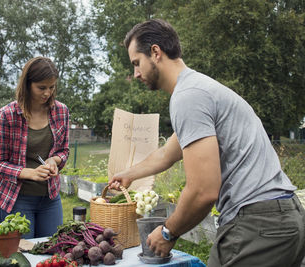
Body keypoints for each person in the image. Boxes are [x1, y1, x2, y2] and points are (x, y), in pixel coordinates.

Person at [109, 19, 305, 266]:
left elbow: (204, 190)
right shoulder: (199, 89)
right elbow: (167, 153)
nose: (136, 73)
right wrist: (129, 173)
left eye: (137, 63)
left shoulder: (188, 97)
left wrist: (169, 231)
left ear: (156, 52)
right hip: (284, 218)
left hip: (258, 225)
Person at [0, 56, 69, 238]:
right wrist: (29, 173)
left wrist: (54, 160)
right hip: (16, 198)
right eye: (41, 88)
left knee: (52, 252)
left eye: (51, 87)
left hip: (49, 198)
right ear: (27, 84)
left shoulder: (61, 111)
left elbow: (64, 150)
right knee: (21, 256)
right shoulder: (7, 115)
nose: (47, 93)